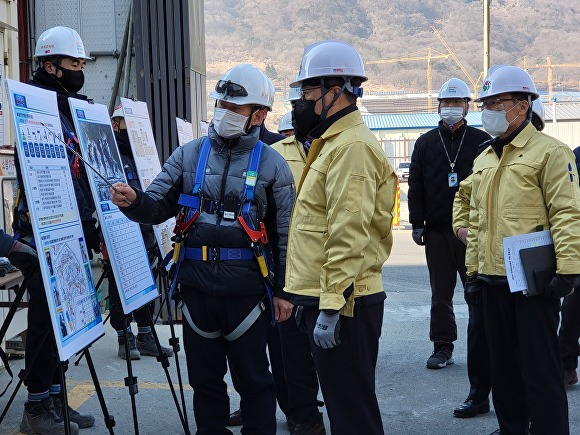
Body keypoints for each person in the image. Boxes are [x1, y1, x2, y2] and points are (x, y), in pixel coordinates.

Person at [110, 63, 295, 434]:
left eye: (234, 108)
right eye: (220, 104)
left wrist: (285, 292)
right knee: (205, 386)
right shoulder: (188, 156)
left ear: (259, 114)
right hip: (196, 294)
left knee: (256, 384)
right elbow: (158, 205)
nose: (223, 112)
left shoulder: (274, 165)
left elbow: (285, 235)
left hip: (248, 297)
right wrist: (133, 202)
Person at [284, 40, 396, 434]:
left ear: (337, 90)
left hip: (346, 302)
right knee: (344, 404)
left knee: (352, 413)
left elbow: (348, 234)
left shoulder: (351, 148)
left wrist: (330, 307)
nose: (301, 100)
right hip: (329, 295)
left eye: (309, 90)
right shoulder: (333, 143)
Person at [464, 64, 580, 435]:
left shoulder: (550, 152)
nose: (490, 110)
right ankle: (512, 428)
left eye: (499, 102)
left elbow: (567, 212)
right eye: (487, 103)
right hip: (492, 280)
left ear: (523, 105)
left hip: (533, 284)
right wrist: (471, 268)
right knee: (505, 372)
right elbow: (471, 212)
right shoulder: (484, 158)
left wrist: (568, 269)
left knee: (540, 371)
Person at [13, 26, 97, 435]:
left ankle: (56, 398)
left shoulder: (69, 107)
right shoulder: (34, 107)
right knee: (46, 320)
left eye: (82, 63)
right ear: (50, 66)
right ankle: (36, 405)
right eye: (73, 64)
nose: (80, 70)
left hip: (73, 225)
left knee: (68, 319)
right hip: (43, 229)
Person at [408, 78, 491, 375]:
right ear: (439, 107)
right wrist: (417, 223)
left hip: (472, 231)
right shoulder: (426, 142)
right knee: (440, 294)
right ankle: (442, 345)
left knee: (477, 292)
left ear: (467, 106)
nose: (452, 108)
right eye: (447, 103)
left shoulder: (482, 141)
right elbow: (415, 185)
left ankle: (486, 346)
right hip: (437, 231)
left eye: (457, 103)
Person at [270, 86, 324, 434]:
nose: (300, 109)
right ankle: (301, 414)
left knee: (327, 351)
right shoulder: (274, 154)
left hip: (328, 266)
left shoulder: (337, 149)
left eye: (305, 102)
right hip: (287, 269)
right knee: (288, 350)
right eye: (295, 104)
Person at [108, 106, 173, 360]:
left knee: (147, 282)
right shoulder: (110, 154)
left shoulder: (142, 157)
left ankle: (146, 335)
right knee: (119, 283)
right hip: (119, 231)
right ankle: (124, 337)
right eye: (127, 124)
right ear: (116, 125)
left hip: (145, 229)